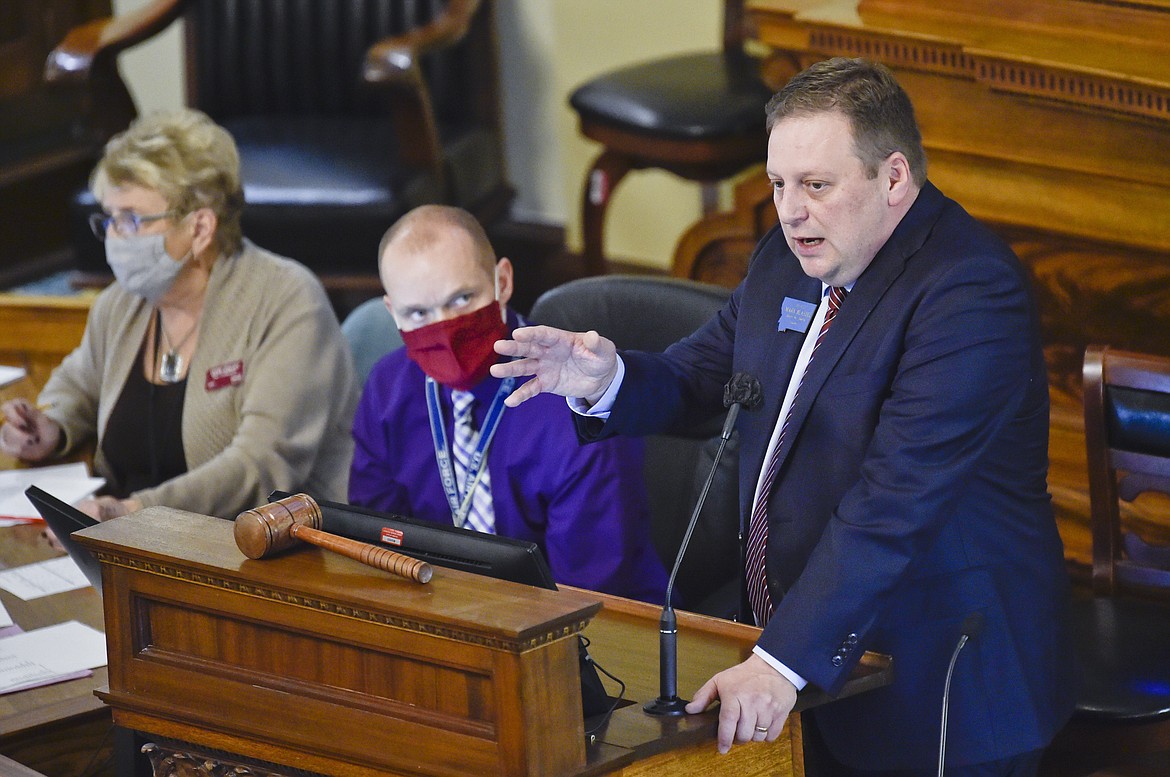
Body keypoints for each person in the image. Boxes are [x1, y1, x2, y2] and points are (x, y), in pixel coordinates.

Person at [493, 58, 1076, 775]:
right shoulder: (788, 258)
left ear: (893, 178)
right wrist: (607, 377)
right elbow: (706, 375)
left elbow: (892, 505)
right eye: (777, 184)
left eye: (816, 186)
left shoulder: (968, 294)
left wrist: (779, 660)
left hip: (941, 685)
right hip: (811, 663)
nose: (790, 210)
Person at [0, 109, 357, 522]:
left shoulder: (287, 301)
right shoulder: (123, 303)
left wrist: (136, 512)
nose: (114, 237)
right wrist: (52, 427)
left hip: (263, 553)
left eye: (131, 220)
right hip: (130, 545)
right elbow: (79, 385)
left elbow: (260, 466)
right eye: (109, 219)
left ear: (200, 228)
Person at [348, 204, 668, 603]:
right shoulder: (387, 389)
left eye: (462, 298)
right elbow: (374, 547)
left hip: (583, 628)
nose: (444, 328)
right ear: (393, 313)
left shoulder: (577, 401)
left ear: (502, 281)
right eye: (418, 313)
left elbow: (588, 594)